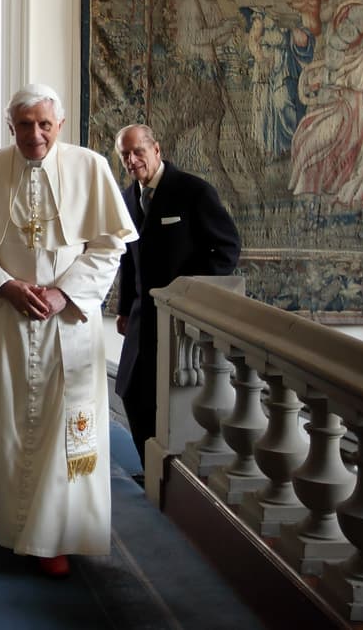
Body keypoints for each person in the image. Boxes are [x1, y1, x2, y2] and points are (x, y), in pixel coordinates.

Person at [0, 84, 136, 578]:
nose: (36, 134)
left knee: (63, 427)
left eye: (45, 124)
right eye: (25, 125)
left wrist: (64, 293)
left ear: (59, 125)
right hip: (6, 319)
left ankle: (52, 536)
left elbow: (109, 246)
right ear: (11, 127)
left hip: (68, 322)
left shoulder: (90, 168)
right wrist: (5, 286)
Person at [113, 125, 241, 472]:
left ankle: (167, 479)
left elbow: (227, 249)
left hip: (179, 318)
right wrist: (123, 309)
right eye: (125, 155)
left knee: (169, 400)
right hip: (141, 318)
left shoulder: (193, 191)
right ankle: (150, 471)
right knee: (130, 393)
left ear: (156, 149)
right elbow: (128, 260)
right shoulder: (127, 198)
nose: (132, 160)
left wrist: (189, 292)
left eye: (138, 151)